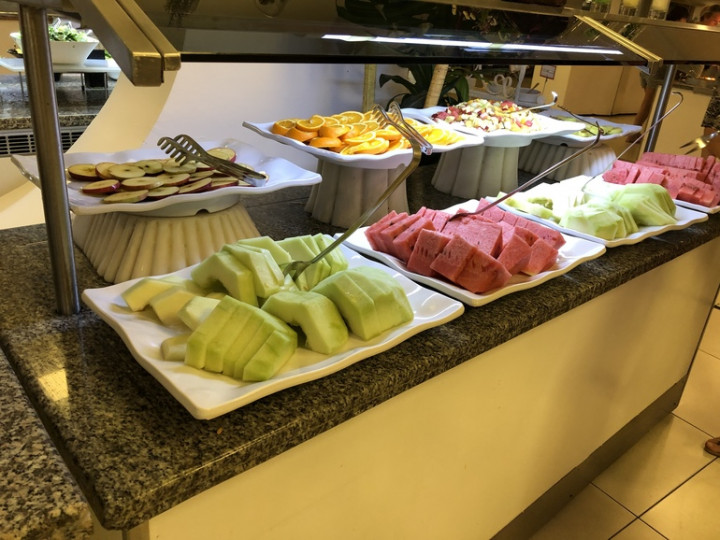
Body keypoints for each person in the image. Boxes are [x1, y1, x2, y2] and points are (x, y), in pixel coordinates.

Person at [627, 3, 689, 142]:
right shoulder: (672, 31)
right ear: (680, 18)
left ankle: (637, 132)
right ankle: (633, 133)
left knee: (649, 102)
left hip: (646, 67)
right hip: (658, 69)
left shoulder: (658, 28)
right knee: (649, 102)